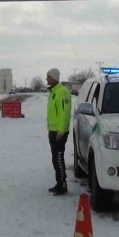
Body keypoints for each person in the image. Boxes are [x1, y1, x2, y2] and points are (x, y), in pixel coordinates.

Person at [46, 68, 72, 196]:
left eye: (48, 77)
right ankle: (59, 183)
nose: (47, 79)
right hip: (53, 131)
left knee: (58, 158)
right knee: (55, 159)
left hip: (59, 132)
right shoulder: (53, 92)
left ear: (54, 78)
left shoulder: (62, 92)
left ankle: (62, 184)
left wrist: (61, 130)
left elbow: (65, 113)